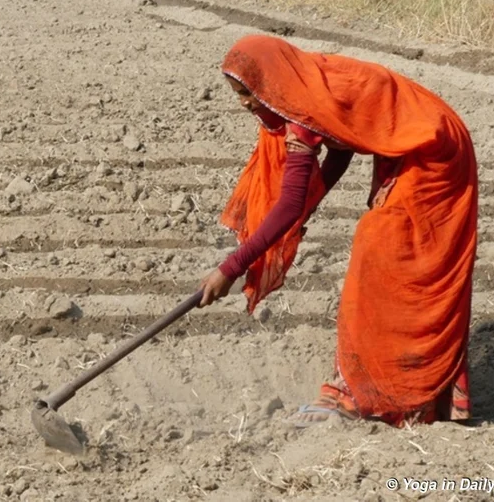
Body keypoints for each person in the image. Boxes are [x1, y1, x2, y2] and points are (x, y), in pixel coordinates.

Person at [198, 35, 477, 428]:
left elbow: (289, 203)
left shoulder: (299, 112)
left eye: (247, 93)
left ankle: (371, 392)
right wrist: (306, 208)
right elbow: (341, 149)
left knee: (381, 252)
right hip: (418, 142)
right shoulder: (308, 84)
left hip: (434, 151)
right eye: (238, 95)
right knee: (385, 251)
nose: (244, 103)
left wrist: (231, 267)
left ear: (268, 83)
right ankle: (409, 389)